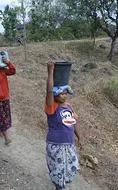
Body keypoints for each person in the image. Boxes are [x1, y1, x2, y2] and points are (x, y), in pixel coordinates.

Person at [45, 60, 82, 190]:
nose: (65, 95)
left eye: (66, 92)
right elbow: (49, 92)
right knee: (58, 172)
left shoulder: (69, 107)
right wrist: (51, 71)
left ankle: (59, 186)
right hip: (56, 145)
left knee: (70, 169)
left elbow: (74, 122)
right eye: (62, 92)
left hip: (69, 144)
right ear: (55, 94)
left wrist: (79, 137)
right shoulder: (52, 107)